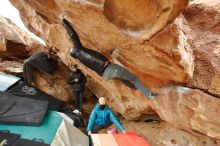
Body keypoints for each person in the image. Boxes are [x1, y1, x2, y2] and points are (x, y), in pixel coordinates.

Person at [62, 18, 158, 99]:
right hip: (110, 68)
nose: (73, 47)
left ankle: (132, 86)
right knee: (134, 78)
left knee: (121, 77)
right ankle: (149, 94)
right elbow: (73, 35)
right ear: (74, 51)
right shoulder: (79, 50)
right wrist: (64, 23)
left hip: (105, 75)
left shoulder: (80, 59)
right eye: (73, 48)